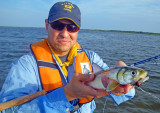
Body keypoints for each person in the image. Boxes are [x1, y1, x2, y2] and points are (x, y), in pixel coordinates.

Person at [0, 1, 135, 113]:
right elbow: (9, 110)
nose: (65, 34)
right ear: (47, 25)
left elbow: (128, 94)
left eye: (71, 27)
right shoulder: (26, 65)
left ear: (78, 30)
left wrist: (125, 82)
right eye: (58, 25)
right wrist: (67, 94)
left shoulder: (91, 58)